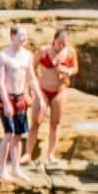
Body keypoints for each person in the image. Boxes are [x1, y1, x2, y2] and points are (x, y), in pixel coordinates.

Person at [30, 25, 79, 166]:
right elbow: (31, 67)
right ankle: (28, 153)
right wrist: (35, 83)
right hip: (43, 90)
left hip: (59, 90)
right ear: (54, 40)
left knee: (55, 123)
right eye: (60, 42)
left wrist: (68, 71)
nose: (62, 45)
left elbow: (76, 68)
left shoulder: (70, 52)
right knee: (36, 122)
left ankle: (51, 154)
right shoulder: (43, 51)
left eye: (65, 43)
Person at [0, 24, 35, 183]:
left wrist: (38, 96)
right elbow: (1, 82)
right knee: (9, 134)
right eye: (21, 35)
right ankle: (2, 169)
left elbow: (31, 78)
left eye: (26, 35)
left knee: (18, 135)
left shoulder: (27, 55)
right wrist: (6, 103)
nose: (24, 38)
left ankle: (16, 168)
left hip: (20, 98)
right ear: (12, 36)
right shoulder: (3, 56)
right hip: (7, 98)